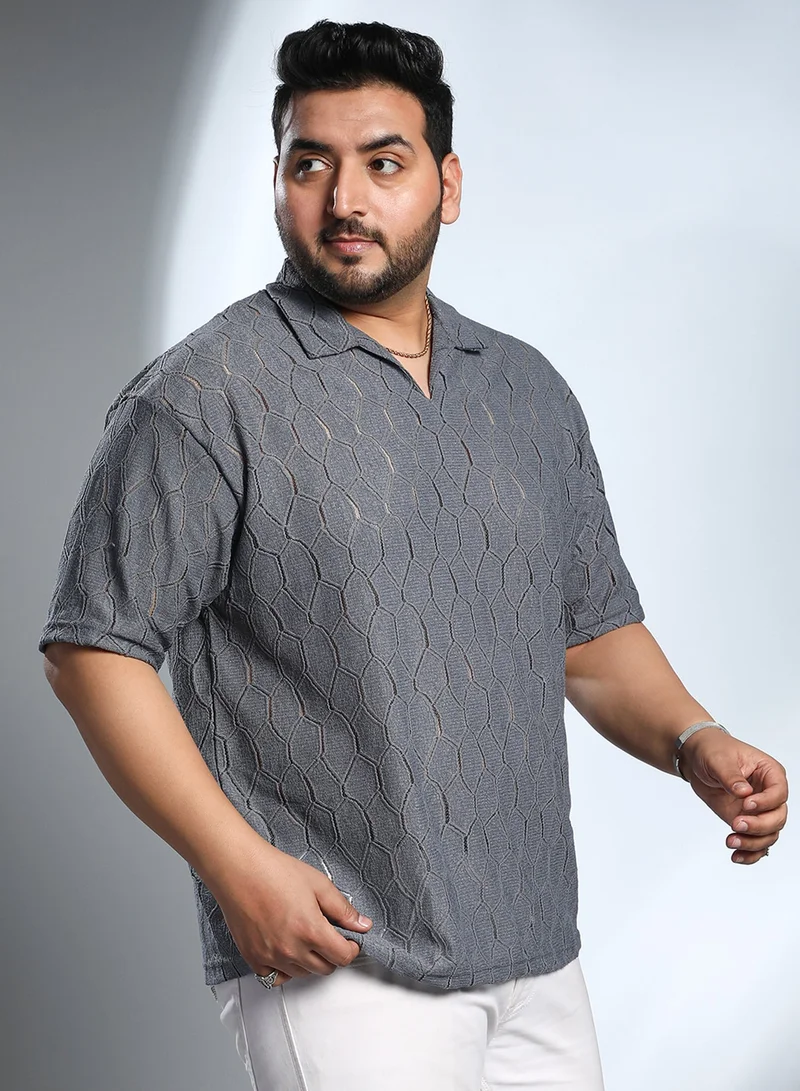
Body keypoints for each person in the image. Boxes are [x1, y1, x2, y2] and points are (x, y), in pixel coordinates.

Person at [39, 18, 788, 1091]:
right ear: (278, 181)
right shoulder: (202, 398)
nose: (344, 199)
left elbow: (585, 632)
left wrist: (692, 738)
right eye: (311, 164)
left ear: (448, 183)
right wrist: (237, 867)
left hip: (538, 954)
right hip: (343, 957)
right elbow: (93, 649)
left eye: (382, 163)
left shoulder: (527, 391)